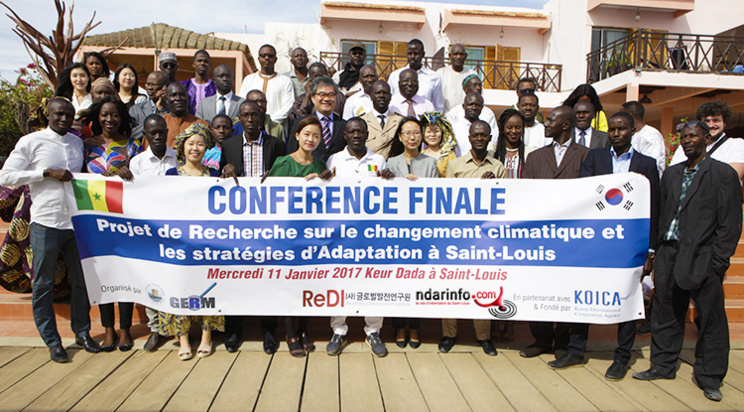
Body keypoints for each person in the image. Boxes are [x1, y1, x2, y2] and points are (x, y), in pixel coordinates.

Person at [632, 120, 743, 403]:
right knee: (665, 313)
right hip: (669, 255)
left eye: (692, 136)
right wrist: (654, 254)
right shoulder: (671, 174)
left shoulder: (723, 174)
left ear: (706, 138)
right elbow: (660, 214)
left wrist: (718, 260)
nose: (687, 141)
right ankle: (662, 365)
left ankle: (710, 377)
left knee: (710, 320)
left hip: (703, 257)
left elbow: (730, 223)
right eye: (683, 137)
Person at [0, 98, 100, 362]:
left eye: (69, 115)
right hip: (45, 222)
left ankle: (83, 333)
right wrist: (44, 172)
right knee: (42, 284)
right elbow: (5, 176)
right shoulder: (31, 142)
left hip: (76, 223)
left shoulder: (77, 142)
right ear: (47, 114)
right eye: (59, 114)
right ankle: (53, 341)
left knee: (82, 282)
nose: (64, 119)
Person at [576, 112, 660, 376]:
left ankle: (622, 357)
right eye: (612, 129)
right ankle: (575, 350)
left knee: (628, 298)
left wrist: (650, 251)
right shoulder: (595, 157)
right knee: (584, 295)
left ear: (633, 131)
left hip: (629, 244)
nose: (615, 134)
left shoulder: (646, 164)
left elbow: (654, 206)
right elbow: (582, 194)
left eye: (621, 129)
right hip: (596, 240)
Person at [520, 106, 590, 359]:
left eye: (551, 120)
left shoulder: (586, 155)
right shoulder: (536, 157)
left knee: (566, 290)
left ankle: (562, 342)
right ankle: (541, 340)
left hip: (573, 238)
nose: (545, 124)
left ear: (566, 125)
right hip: (539, 237)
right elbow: (525, 196)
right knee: (538, 288)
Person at [219, 101, 287, 354]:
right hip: (237, 223)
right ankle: (233, 332)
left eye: (254, 115)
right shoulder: (228, 145)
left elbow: (287, 178)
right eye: (245, 115)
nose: (249, 119)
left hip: (268, 221)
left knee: (267, 275)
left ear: (262, 118)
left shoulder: (277, 145)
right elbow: (216, 179)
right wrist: (226, 168)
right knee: (235, 275)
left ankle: (268, 331)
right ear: (239, 118)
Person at [325, 118, 393, 357]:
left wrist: (390, 180)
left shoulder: (378, 160)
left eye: (361, 132)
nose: (356, 135)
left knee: (373, 279)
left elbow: (387, 193)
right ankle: (339, 330)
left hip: (371, 232)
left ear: (367, 135)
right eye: (352, 131)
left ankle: (373, 331)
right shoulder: (334, 160)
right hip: (342, 232)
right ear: (345, 135)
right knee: (341, 279)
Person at [266, 116, 332, 357]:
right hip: (287, 233)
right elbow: (270, 198)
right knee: (290, 282)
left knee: (308, 281)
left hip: (312, 234)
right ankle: (290, 332)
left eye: (316, 135)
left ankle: (304, 330)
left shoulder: (321, 165)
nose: (311, 139)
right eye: (306, 134)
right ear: (296, 136)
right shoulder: (284, 162)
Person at [440, 120, 505, 356]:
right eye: (475, 135)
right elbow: (447, 199)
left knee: (483, 284)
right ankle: (449, 334)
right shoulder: (455, 165)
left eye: (483, 135)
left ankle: (483, 337)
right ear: (469, 137)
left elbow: (505, 200)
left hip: (485, 236)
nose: (479, 138)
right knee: (451, 284)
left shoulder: (498, 167)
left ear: (489, 139)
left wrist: (493, 186)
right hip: (458, 234)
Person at [80, 97, 140, 352]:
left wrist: (127, 174)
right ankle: (108, 329)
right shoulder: (85, 146)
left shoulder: (133, 146)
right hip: (94, 218)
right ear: (97, 117)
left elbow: (141, 181)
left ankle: (125, 329)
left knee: (123, 272)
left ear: (122, 118)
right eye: (105, 114)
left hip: (123, 218)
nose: (109, 119)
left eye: (115, 115)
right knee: (103, 272)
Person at [161, 123, 222, 360]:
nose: (195, 148)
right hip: (179, 242)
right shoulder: (171, 176)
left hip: (207, 243)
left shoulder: (215, 175)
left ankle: (207, 337)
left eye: (200, 143)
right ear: (182, 147)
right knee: (179, 287)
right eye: (191, 143)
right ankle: (183, 338)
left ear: (206, 147)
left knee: (209, 287)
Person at [117, 114, 177, 352]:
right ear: (146, 135)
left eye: (161, 132)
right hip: (147, 229)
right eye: (152, 133)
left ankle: (175, 327)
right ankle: (155, 328)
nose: (158, 137)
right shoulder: (137, 163)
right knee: (151, 279)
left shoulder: (178, 159)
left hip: (175, 228)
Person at [387, 117, 437, 349]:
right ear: (400, 136)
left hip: (422, 232)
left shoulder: (430, 163)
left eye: (416, 132)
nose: (412, 137)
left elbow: (437, 196)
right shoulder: (390, 162)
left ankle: (415, 326)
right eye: (407, 133)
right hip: (396, 233)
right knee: (397, 281)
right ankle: (398, 325)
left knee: (417, 280)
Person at [669, 99, 744, 181]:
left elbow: (732, 176)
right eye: (706, 121)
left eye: (716, 120)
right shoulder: (685, 147)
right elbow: (673, 176)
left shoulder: (736, 144)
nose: (711, 125)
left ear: (724, 123)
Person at [287, 76, 347, 162]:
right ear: (313, 98)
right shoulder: (301, 123)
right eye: (322, 95)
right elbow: (292, 154)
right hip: (308, 172)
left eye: (331, 95)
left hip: (336, 173)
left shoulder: (344, 125)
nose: (326, 99)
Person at [237, 44, 294, 123]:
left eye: (270, 56)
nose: (267, 58)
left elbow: (288, 106)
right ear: (259, 59)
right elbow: (242, 103)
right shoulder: (249, 80)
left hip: (276, 127)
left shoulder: (285, 81)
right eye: (263, 55)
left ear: (275, 59)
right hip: (251, 126)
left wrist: (270, 121)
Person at [388, 39, 444, 113]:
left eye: (416, 53)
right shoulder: (395, 76)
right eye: (410, 53)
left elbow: (438, 107)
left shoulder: (434, 77)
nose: (412, 57)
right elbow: (388, 101)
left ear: (423, 54)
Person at [289, 62, 346, 127]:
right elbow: (297, 118)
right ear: (310, 78)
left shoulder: (338, 96)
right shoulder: (303, 98)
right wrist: (308, 95)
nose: (319, 80)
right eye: (315, 77)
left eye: (321, 76)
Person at [620, 101, 666, 177]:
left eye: (622, 115)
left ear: (630, 115)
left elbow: (651, 164)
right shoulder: (632, 135)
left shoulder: (650, 134)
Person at [361, 80, 403, 159]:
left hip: (394, 168)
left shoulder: (400, 121)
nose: (381, 96)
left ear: (390, 97)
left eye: (385, 93)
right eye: (378, 93)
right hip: (370, 168)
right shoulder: (362, 121)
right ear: (371, 96)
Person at [161, 82, 209, 148]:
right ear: (167, 100)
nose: (178, 98)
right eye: (173, 95)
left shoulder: (201, 124)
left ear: (188, 98)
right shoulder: (160, 123)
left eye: (182, 95)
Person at [494, 109, 534, 180]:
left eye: (518, 127)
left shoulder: (529, 153)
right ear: (502, 128)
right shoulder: (493, 151)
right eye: (509, 127)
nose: (514, 131)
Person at [129, 71, 169, 140]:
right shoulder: (136, 109)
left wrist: (161, 108)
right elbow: (130, 134)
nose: (149, 88)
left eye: (154, 84)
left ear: (164, 87)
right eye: (148, 84)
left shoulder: (171, 110)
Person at [447, 91, 489, 156]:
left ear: (482, 107)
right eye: (470, 104)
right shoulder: (454, 129)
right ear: (463, 106)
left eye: (477, 105)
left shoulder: (485, 128)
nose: (474, 108)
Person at [437, 43, 475, 113]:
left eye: (461, 54)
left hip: (466, 118)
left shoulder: (472, 75)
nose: (458, 57)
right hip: (445, 117)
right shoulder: (441, 73)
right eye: (455, 54)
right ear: (450, 56)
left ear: (465, 56)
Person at [420, 112, 456, 177]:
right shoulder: (419, 155)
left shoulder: (449, 155)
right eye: (429, 131)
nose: (432, 135)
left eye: (436, 131)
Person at [181, 50, 216, 116]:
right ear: (193, 64)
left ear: (210, 65)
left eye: (205, 61)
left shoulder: (215, 87)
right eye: (199, 61)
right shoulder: (185, 85)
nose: (202, 63)